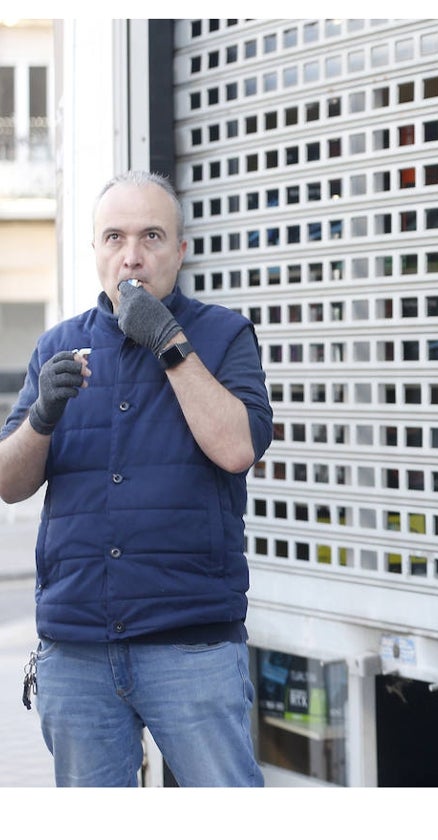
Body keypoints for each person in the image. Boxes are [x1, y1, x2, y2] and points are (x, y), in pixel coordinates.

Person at [0, 171, 273, 786]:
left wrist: (169, 343)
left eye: (152, 236)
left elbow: (236, 448)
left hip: (190, 645)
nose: (133, 255)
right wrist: (41, 416)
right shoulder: (56, 347)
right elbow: (10, 483)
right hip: (76, 649)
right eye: (115, 237)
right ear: (95, 250)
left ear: (180, 250)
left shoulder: (224, 335)